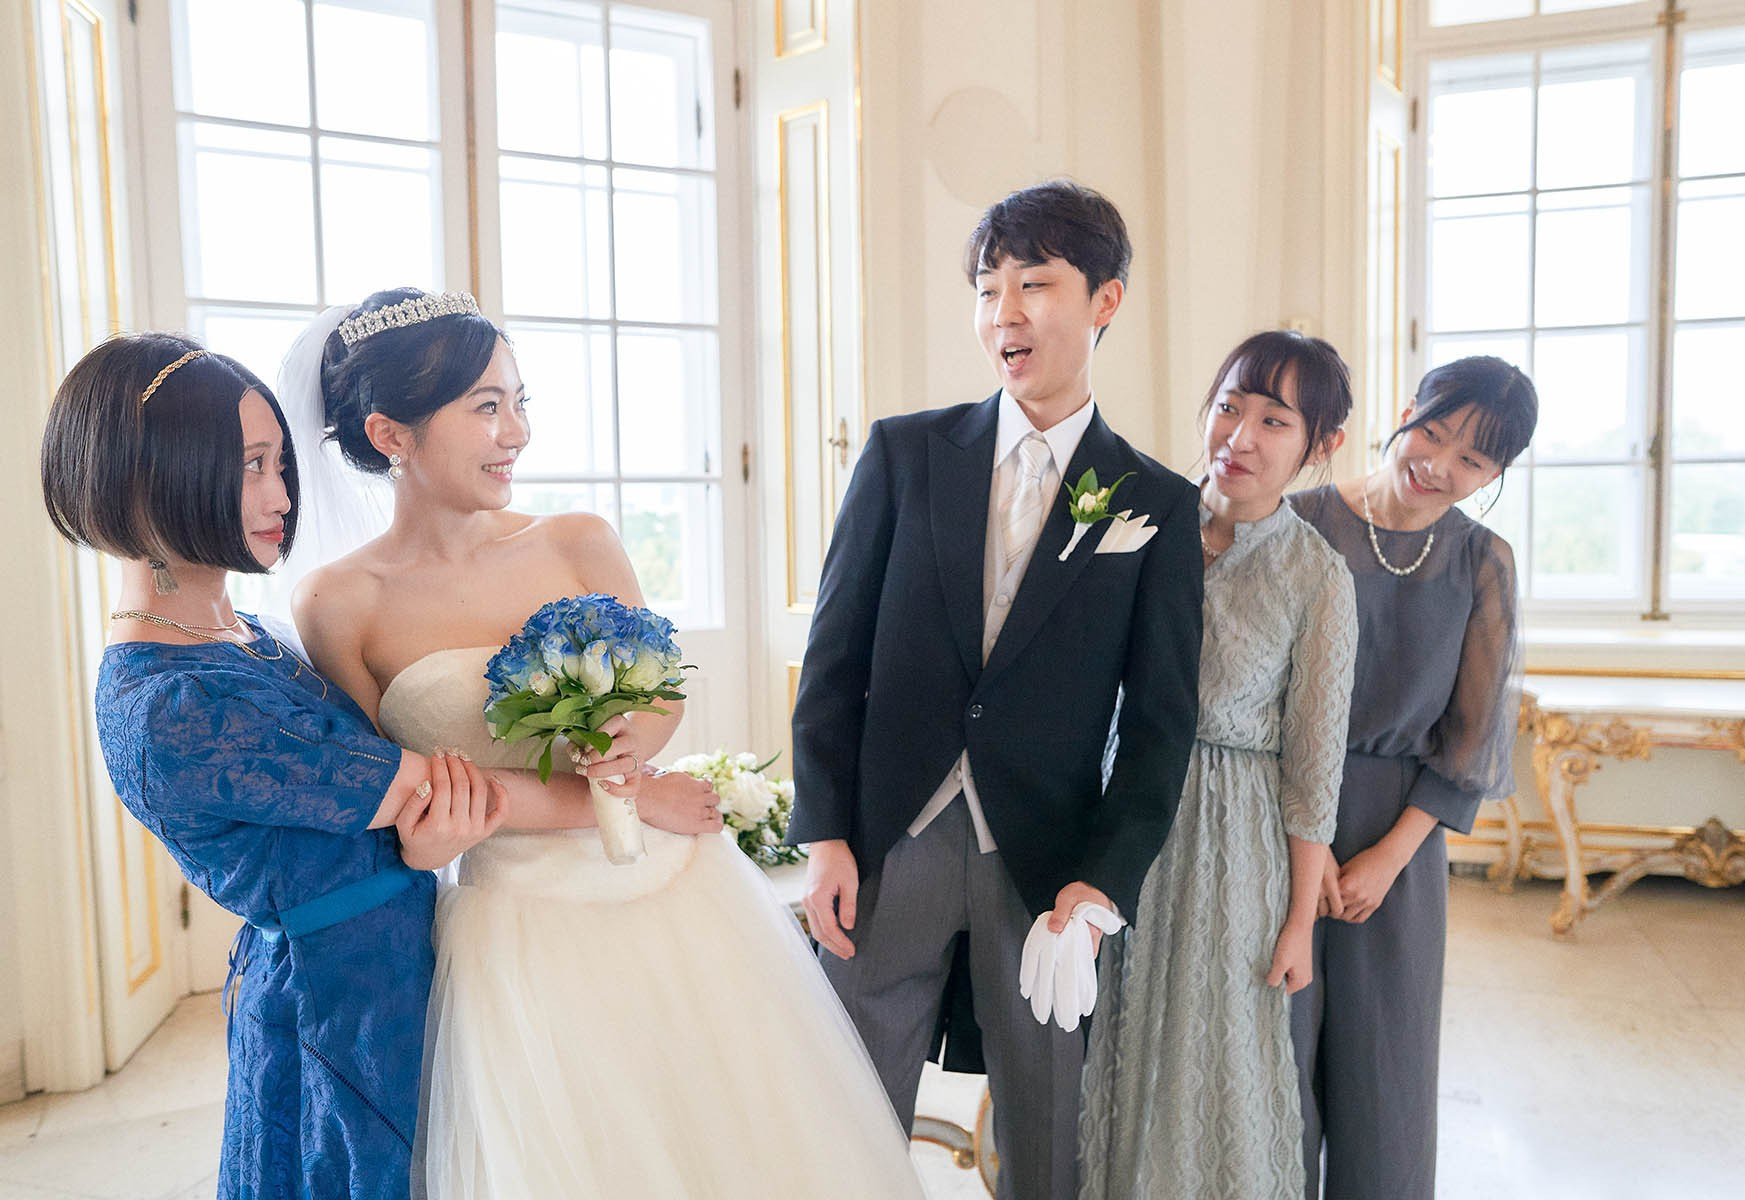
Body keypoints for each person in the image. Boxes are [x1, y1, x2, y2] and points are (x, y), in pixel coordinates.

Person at [285, 288, 925, 1199]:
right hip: (518, 919)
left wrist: (635, 744)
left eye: (520, 402)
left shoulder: (576, 541)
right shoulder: (339, 604)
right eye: (487, 407)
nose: (517, 433)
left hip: (675, 888)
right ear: (391, 435)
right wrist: (626, 796)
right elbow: (402, 792)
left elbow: (661, 690)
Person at [39, 332, 548, 1199]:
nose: (280, 495)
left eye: (279, 462)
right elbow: (426, 789)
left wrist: (424, 845)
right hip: (341, 1010)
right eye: (249, 466)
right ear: (149, 477)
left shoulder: (248, 635)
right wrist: (624, 800)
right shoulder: (173, 703)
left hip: (388, 965)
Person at [788, 181, 1204, 1200]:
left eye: (1034, 285)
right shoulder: (903, 455)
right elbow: (834, 659)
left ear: (1105, 300)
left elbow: (1160, 727)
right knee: (845, 1108)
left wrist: (1100, 887)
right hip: (893, 841)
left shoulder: (1154, 503)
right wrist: (826, 832)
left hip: (1045, 871)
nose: (1003, 313)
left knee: (1048, 1128)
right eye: (987, 289)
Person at [1078, 330, 1358, 1198]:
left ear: (1321, 446)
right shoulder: (1134, 522)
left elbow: (1313, 771)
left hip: (1229, 846)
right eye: (1230, 407)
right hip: (1110, 813)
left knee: (1211, 1061)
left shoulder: (1317, 576)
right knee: (1094, 1041)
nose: (1239, 436)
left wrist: (1299, 921)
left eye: (1275, 420)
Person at [1287, 355, 1538, 1199]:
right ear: (1405, 412)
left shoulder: (1482, 560)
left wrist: (1390, 858)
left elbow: (1473, 734)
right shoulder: (1297, 522)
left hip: (1400, 834)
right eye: (1434, 433)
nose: (1439, 464)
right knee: (1273, 1052)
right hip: (1278, 815)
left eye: (1473, 459)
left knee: (1386, 1071)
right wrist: (1306, 840)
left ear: (1495, 475)